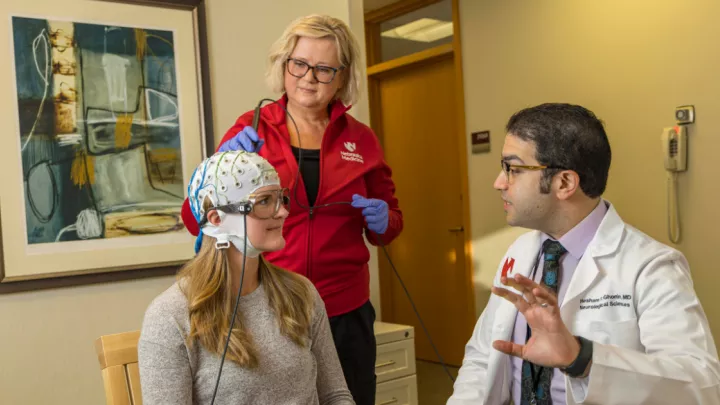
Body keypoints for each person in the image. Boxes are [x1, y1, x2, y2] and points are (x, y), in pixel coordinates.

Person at [180, 14, 402, 405]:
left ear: (341, 75)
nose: (308, 78)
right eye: (299, 64)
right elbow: (194, 219)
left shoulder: (362, 140)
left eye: (323, 69)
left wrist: (385, 218)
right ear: (283, 65)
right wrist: (220, 162)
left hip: (345, 311)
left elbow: (389, 228)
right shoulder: (251, 129)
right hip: (270, 307)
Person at [447, 103, 720, 405]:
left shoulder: (651, 266)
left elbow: (702, 384)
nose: (499, 183)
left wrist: (581, 359)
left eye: (512, 169)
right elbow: (482, 358)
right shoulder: (520, 252)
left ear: (564, 183)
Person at [139, 151, 355, 405]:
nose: (283, 212)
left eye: (280, 199)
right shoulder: (171, 315)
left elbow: (335, 395)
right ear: (218, 219)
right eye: (264, 201)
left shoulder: (301, 293)